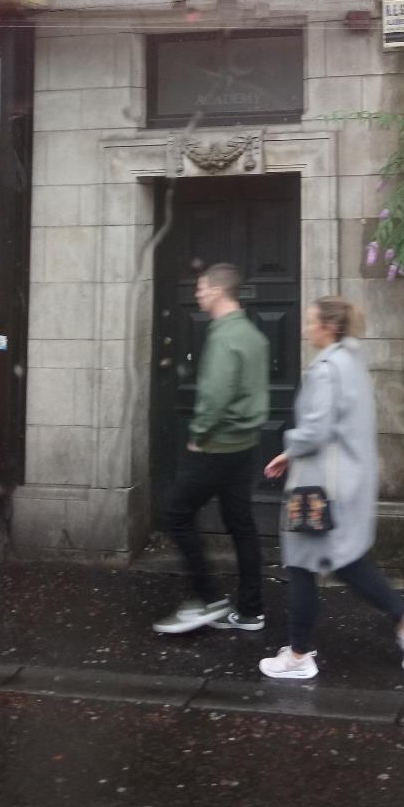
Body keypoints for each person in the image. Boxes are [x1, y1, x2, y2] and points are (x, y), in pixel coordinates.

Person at [259, 296, 404, 680]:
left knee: (302, 564)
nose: (306, 327)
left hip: (319, 487)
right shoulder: (351, 362)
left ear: (328, 326)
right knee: (342, 563)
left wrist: (290, 446)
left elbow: (316, 431)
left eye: (311, 321)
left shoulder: (326, 370)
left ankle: (299, 656)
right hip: (342, 482)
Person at [154, 263, 270, 636]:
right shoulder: (253, 335)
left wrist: (199, 434)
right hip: (245, 445)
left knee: (175, 514)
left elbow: (216, 394)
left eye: (202, 288)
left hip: (216, 446)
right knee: (242, 526)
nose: (197, 293)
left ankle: (207, 598)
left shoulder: (223, 337)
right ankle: (251, 610)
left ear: (219, 291)